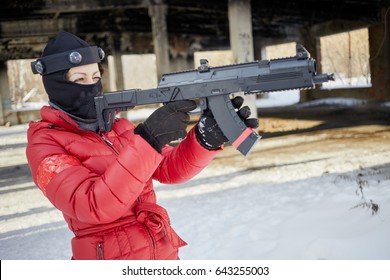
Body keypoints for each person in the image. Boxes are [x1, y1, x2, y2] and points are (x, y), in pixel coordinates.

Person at [26, 30, 258, 260]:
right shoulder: (44, 145)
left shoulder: (118, 127)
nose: (92, 86)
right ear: (57, 86)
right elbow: (93, 205)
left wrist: (204, 140)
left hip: (160, 250)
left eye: (96, 78)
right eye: (80, 79)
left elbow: (169, 168)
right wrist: (149, 139)